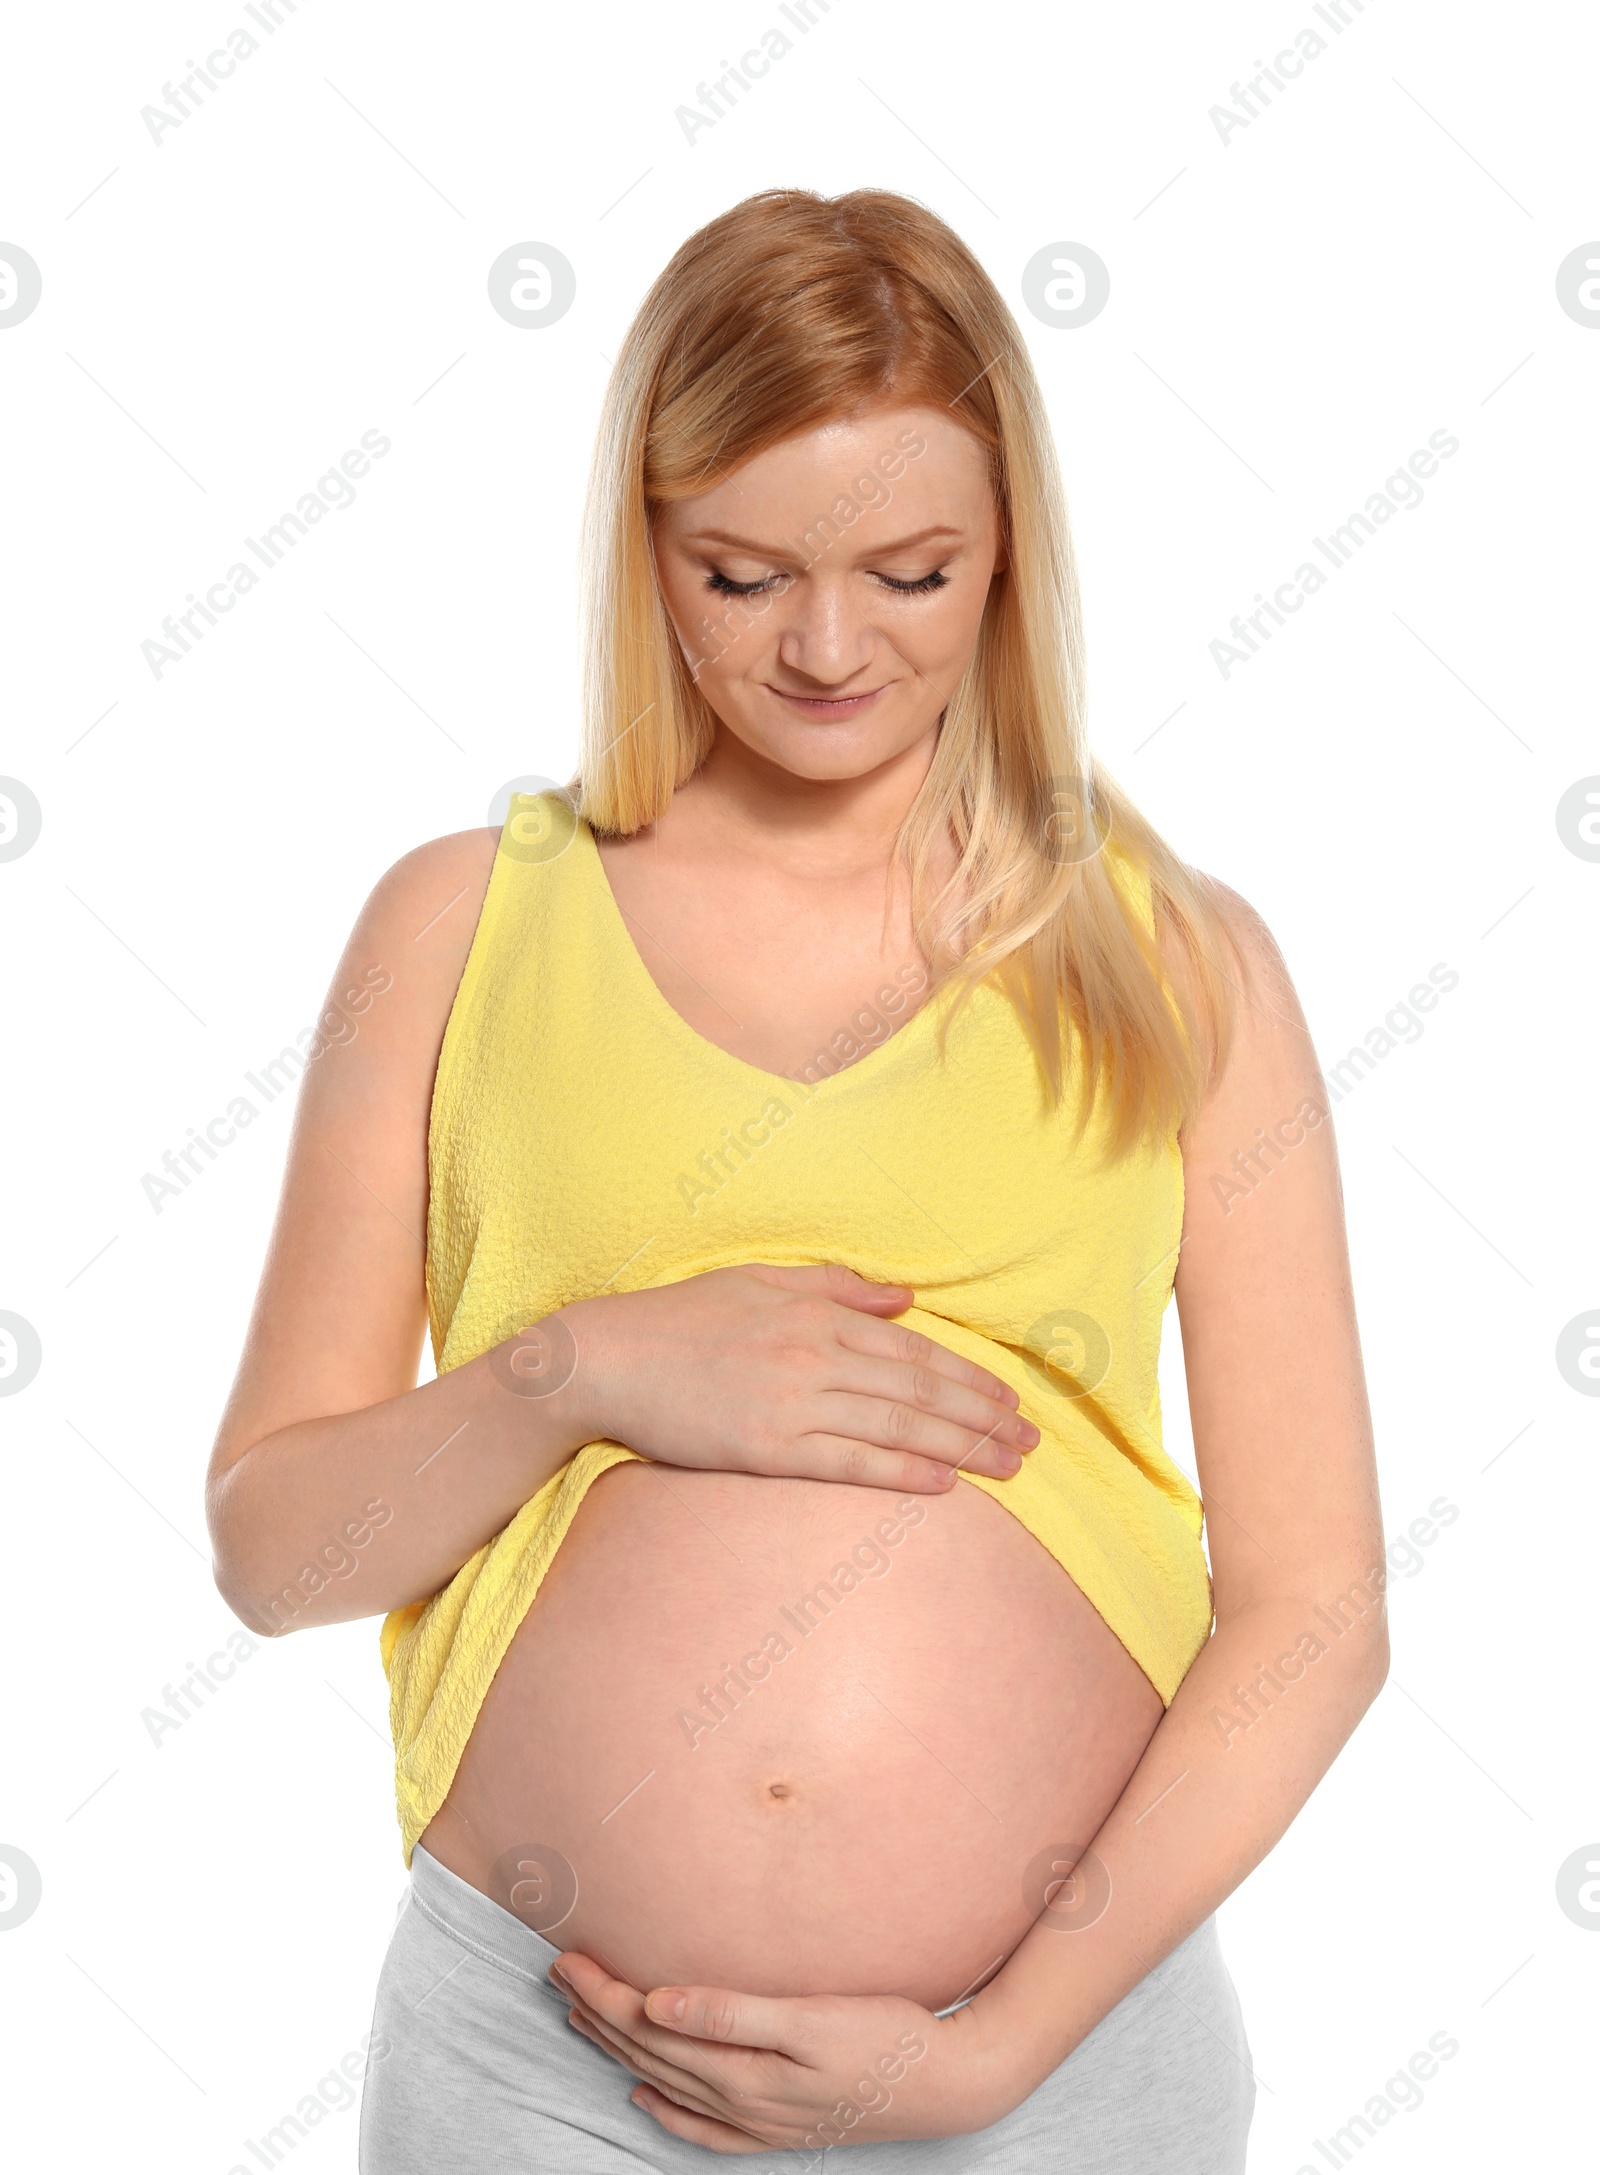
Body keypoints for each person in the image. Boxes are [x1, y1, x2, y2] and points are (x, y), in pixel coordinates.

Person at [206, 188, 1386, 2171]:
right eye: (738, 572)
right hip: (543, 2065)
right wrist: (572, 1364)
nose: (828, 646)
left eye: (912, 571)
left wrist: (993, 2047)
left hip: (1053, 2067)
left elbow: (1315, 1605)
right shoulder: (458, 929)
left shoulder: (1164, 957)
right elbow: (275, 1554)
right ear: (639, 546)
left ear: (1008, 552)